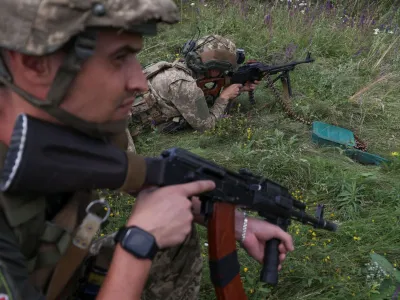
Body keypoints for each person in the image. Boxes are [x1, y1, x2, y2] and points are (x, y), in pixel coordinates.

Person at [0, 2, 294, 300]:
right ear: (34, 65)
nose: (140, 83)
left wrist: (236, 222)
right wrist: (139, 243)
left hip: (59, 275)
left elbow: (144, 176)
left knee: (174, 233)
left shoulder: (72, 130)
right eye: (118, 58)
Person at [129, 34, 260, 137]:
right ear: (214, 69)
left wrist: (238, 88)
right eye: (224, 70)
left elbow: (198, 100)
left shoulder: (176, 70)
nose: (224, 73)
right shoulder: (185, 85)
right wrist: (224, 97)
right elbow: (207, 127)